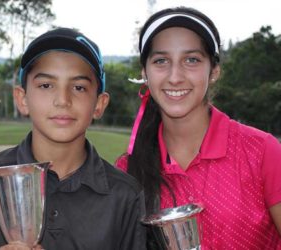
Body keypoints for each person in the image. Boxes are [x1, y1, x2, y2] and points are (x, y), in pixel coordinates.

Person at [0, 27, 147, 250]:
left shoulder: (125, 195)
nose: (62, 100)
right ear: (22, 99)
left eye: (79, 87)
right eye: (46, 85)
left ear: (99, 104)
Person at [115, 6, 281, 249]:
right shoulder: (127, 171)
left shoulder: (262, 151)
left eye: (191, 60)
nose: (175, 76)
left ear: (214, 71)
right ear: (145, 72)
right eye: (161, 61)